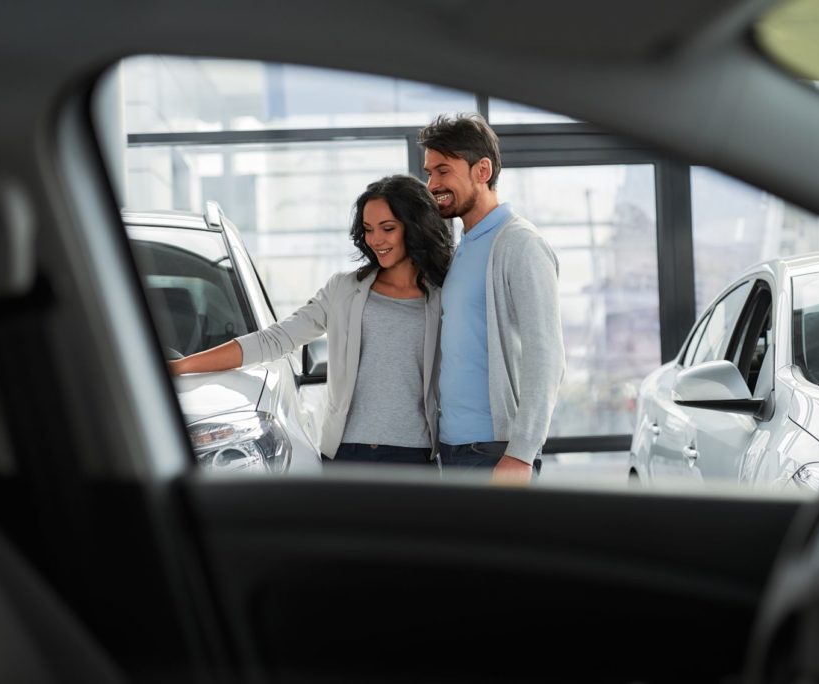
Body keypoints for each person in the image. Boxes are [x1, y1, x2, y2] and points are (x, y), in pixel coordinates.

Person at [169, 174, 453, 468]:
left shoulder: (443, 296)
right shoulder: (343, 289)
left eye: (388, 228)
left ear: (415, 227)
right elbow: (273, 340)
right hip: (347, 454)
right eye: (368, 229)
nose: (375, 239)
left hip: (416, 455)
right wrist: (182, 365)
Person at [418, 113, 565, 485]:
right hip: (454, 448)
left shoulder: (520, 244)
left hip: (496, 452)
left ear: (481, 170)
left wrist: (521, 452)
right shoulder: (464, 246)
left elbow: (545, 355)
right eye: (429, 172)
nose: (432, 183)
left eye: (443, 171)